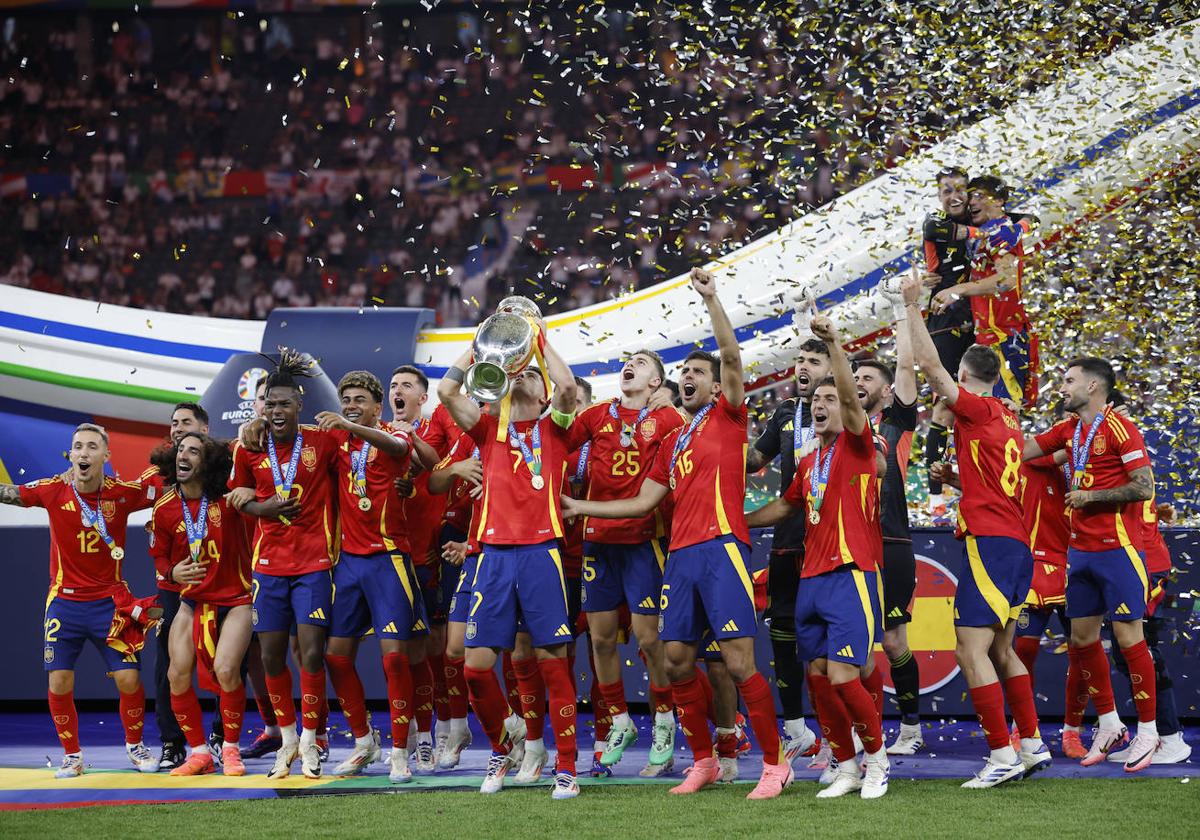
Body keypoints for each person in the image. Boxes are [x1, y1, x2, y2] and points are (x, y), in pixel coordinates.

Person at [562, 268, 790, 800]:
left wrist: (712, 301)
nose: (688, 377)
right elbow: (643, 501)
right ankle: (703, 760)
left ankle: (775, 764)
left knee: (736, 661)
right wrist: (581, 505)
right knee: (678, 660)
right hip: (680, 558)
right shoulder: (674, 441)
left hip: (721, 550)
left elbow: (732, 358)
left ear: (713, 385)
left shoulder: (729, 418)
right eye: (683, 372)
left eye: (696, 372)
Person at [897, 274, 1050, 788]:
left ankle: (1002, 755)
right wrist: (959, 479)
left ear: (966, 375)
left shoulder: (978, 405)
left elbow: (929, 369)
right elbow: (998, 481)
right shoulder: (1008, 419)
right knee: (1001, 650)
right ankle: (1030, 744)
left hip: (988, 540)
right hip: (1014, 540)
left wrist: (914, 308)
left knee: (970, 650)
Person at [745, 315, 890, 800]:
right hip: (812, 577)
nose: (822, 404)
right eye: (818, 399)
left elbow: (850, 400)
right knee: (818, 677)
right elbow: (786, 505)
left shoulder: (858, 444)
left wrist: (833, 344)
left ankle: (877, 761)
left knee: (846, 674)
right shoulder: (810, 462)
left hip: (852, 573)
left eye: (831, 398)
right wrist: (737, 521)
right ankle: (845, 765)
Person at [437, 318, 582, 800]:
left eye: (530, 374)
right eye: (514, 372)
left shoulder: (556, 428)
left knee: (551, 662)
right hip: (493, 557)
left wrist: (536, 342)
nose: (522, 376)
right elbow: (446, 389)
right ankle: (505, 743)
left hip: (542, 552)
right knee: (475, 667)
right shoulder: (486, 429)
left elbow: (565, 385)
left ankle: (566, 767)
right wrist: (484, 345)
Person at [1, 424, 159, 778]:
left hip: (110, 602)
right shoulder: (52, 489)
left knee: (129, 679)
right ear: (70, 456)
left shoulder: (123, 493)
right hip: (64, 603)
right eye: (78, 447)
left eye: (91, 447)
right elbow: (9, 493)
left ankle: (135, 747)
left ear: (106, 456)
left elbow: (162, 490)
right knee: (59, 681)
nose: (84, 453)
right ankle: (72, 756)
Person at [1022, 357, 1158, 771]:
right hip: (1079, 554)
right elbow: (1024, 451)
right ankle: (1111, 723)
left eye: (1068, 380)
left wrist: (1091, 497)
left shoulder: (1119, 428)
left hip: (1117, 550)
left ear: (1094, 386)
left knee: (1129, 638)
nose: (1061, 387)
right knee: (1081, 641)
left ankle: (1148, 733)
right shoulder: (1070, 430)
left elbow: (1145, 485)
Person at [565, 350, 683, 775]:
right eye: (628, 360)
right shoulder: (596, 415)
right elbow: (558, 443)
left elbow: (691, 456)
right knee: (600, 640)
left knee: (650, 642)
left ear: (656, 382)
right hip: (597, 540)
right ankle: (619, 721)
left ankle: (665, 721)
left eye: (642, 362)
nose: (630, 364)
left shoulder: (668, 419)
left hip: (642, 541)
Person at [228, 350, 341, 779]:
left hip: (313, 562)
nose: (276, 411)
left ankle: (312, 743)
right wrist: (264, 508)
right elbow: (238, 499)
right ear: (261, 408)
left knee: (311, 654)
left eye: (283, 403)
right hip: (269, 565)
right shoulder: (247, 448)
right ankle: (288, 740)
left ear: (299, 404)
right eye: (268, 404)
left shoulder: (321, 442)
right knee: (272, 657)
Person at [317, 371, 429, 783]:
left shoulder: (392, 433)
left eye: (359, 398)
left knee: (396, 658)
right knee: (335, 656)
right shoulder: (337, 441)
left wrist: (351, 425)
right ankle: (365, 741)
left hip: (389, 560)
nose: (350, 404)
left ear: (376, 406)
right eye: (346, 398)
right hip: (349, 563)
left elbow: (399, 447)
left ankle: (401, 751)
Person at [744, 336, 829, 763]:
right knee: (781, 633)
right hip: (788, 538)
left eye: (813, 361)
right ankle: (796, 729)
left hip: (832, 543)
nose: (802, 367)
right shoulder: (785, 412)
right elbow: (755, 460)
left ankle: (839, 735)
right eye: (799, 360)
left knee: (830, 641)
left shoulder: (844, 414)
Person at [150, 432, 253, 777]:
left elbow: (258, 490)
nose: (184, 455)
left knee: (227, 671)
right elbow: (159, 557)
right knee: (176, 674)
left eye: (194, 451)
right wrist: (172, 571)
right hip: (192, 600)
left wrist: (252, 492)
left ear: (206, 463)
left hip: (235, 599)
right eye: (181, 450)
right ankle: (198, 753)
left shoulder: (229, 501)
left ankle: (231, 748)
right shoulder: (164, 509)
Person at [854, 315, 923, 754]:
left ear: (885, 391)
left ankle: (912, 730)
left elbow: (905, 367)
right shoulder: (843, 424)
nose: (858, 381)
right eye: (854, 375)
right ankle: (864, 732)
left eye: (867, 377)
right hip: (850, 544)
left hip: (892, 544)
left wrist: (902, 312)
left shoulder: (897, 421)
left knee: (893, 639)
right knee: (853, 643)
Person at [136, 401, 210, 771]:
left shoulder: (218, 470)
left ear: (204, 429)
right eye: (174, 424)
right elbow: (117, 492)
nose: (178, 429)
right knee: (168, 663)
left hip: (219, 584)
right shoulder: (155, 475)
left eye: (186, 423)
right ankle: (172, 741)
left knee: (225, 663)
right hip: (171, 586)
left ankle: (219, 738)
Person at [390, 365, 454, 774]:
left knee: (433, 651)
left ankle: (436, 733)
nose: (398, 391)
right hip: (389, 557)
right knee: (398, 653)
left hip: (429, 558)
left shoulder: (433, 432)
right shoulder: (376, 433)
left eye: (406, 386)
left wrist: (407, 433)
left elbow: (431, 467)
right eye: (393, 386)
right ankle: (408, 732)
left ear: (422, 397)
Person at [929, 175, 1038, 409]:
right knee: (985, 410)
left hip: (1005, 337)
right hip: (988, 336)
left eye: (979, 196)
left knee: (1004, 410)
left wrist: (957, 290)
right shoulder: (983, 231)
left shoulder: (1001, 232)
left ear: (998, 201)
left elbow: (1006, 281)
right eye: (971, 196)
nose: (971, 202)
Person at [921, 167, 975, 519]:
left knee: (988, 407)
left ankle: (978, 482)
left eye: (959, 189)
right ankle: (935, 497)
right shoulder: (935, 222)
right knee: (946, 406)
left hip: (983, 320)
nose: (953, 196)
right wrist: (996, 231)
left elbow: (1029, 220)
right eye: (946, 191)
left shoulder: (983, 215)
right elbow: (945, 233)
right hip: (947, 321)